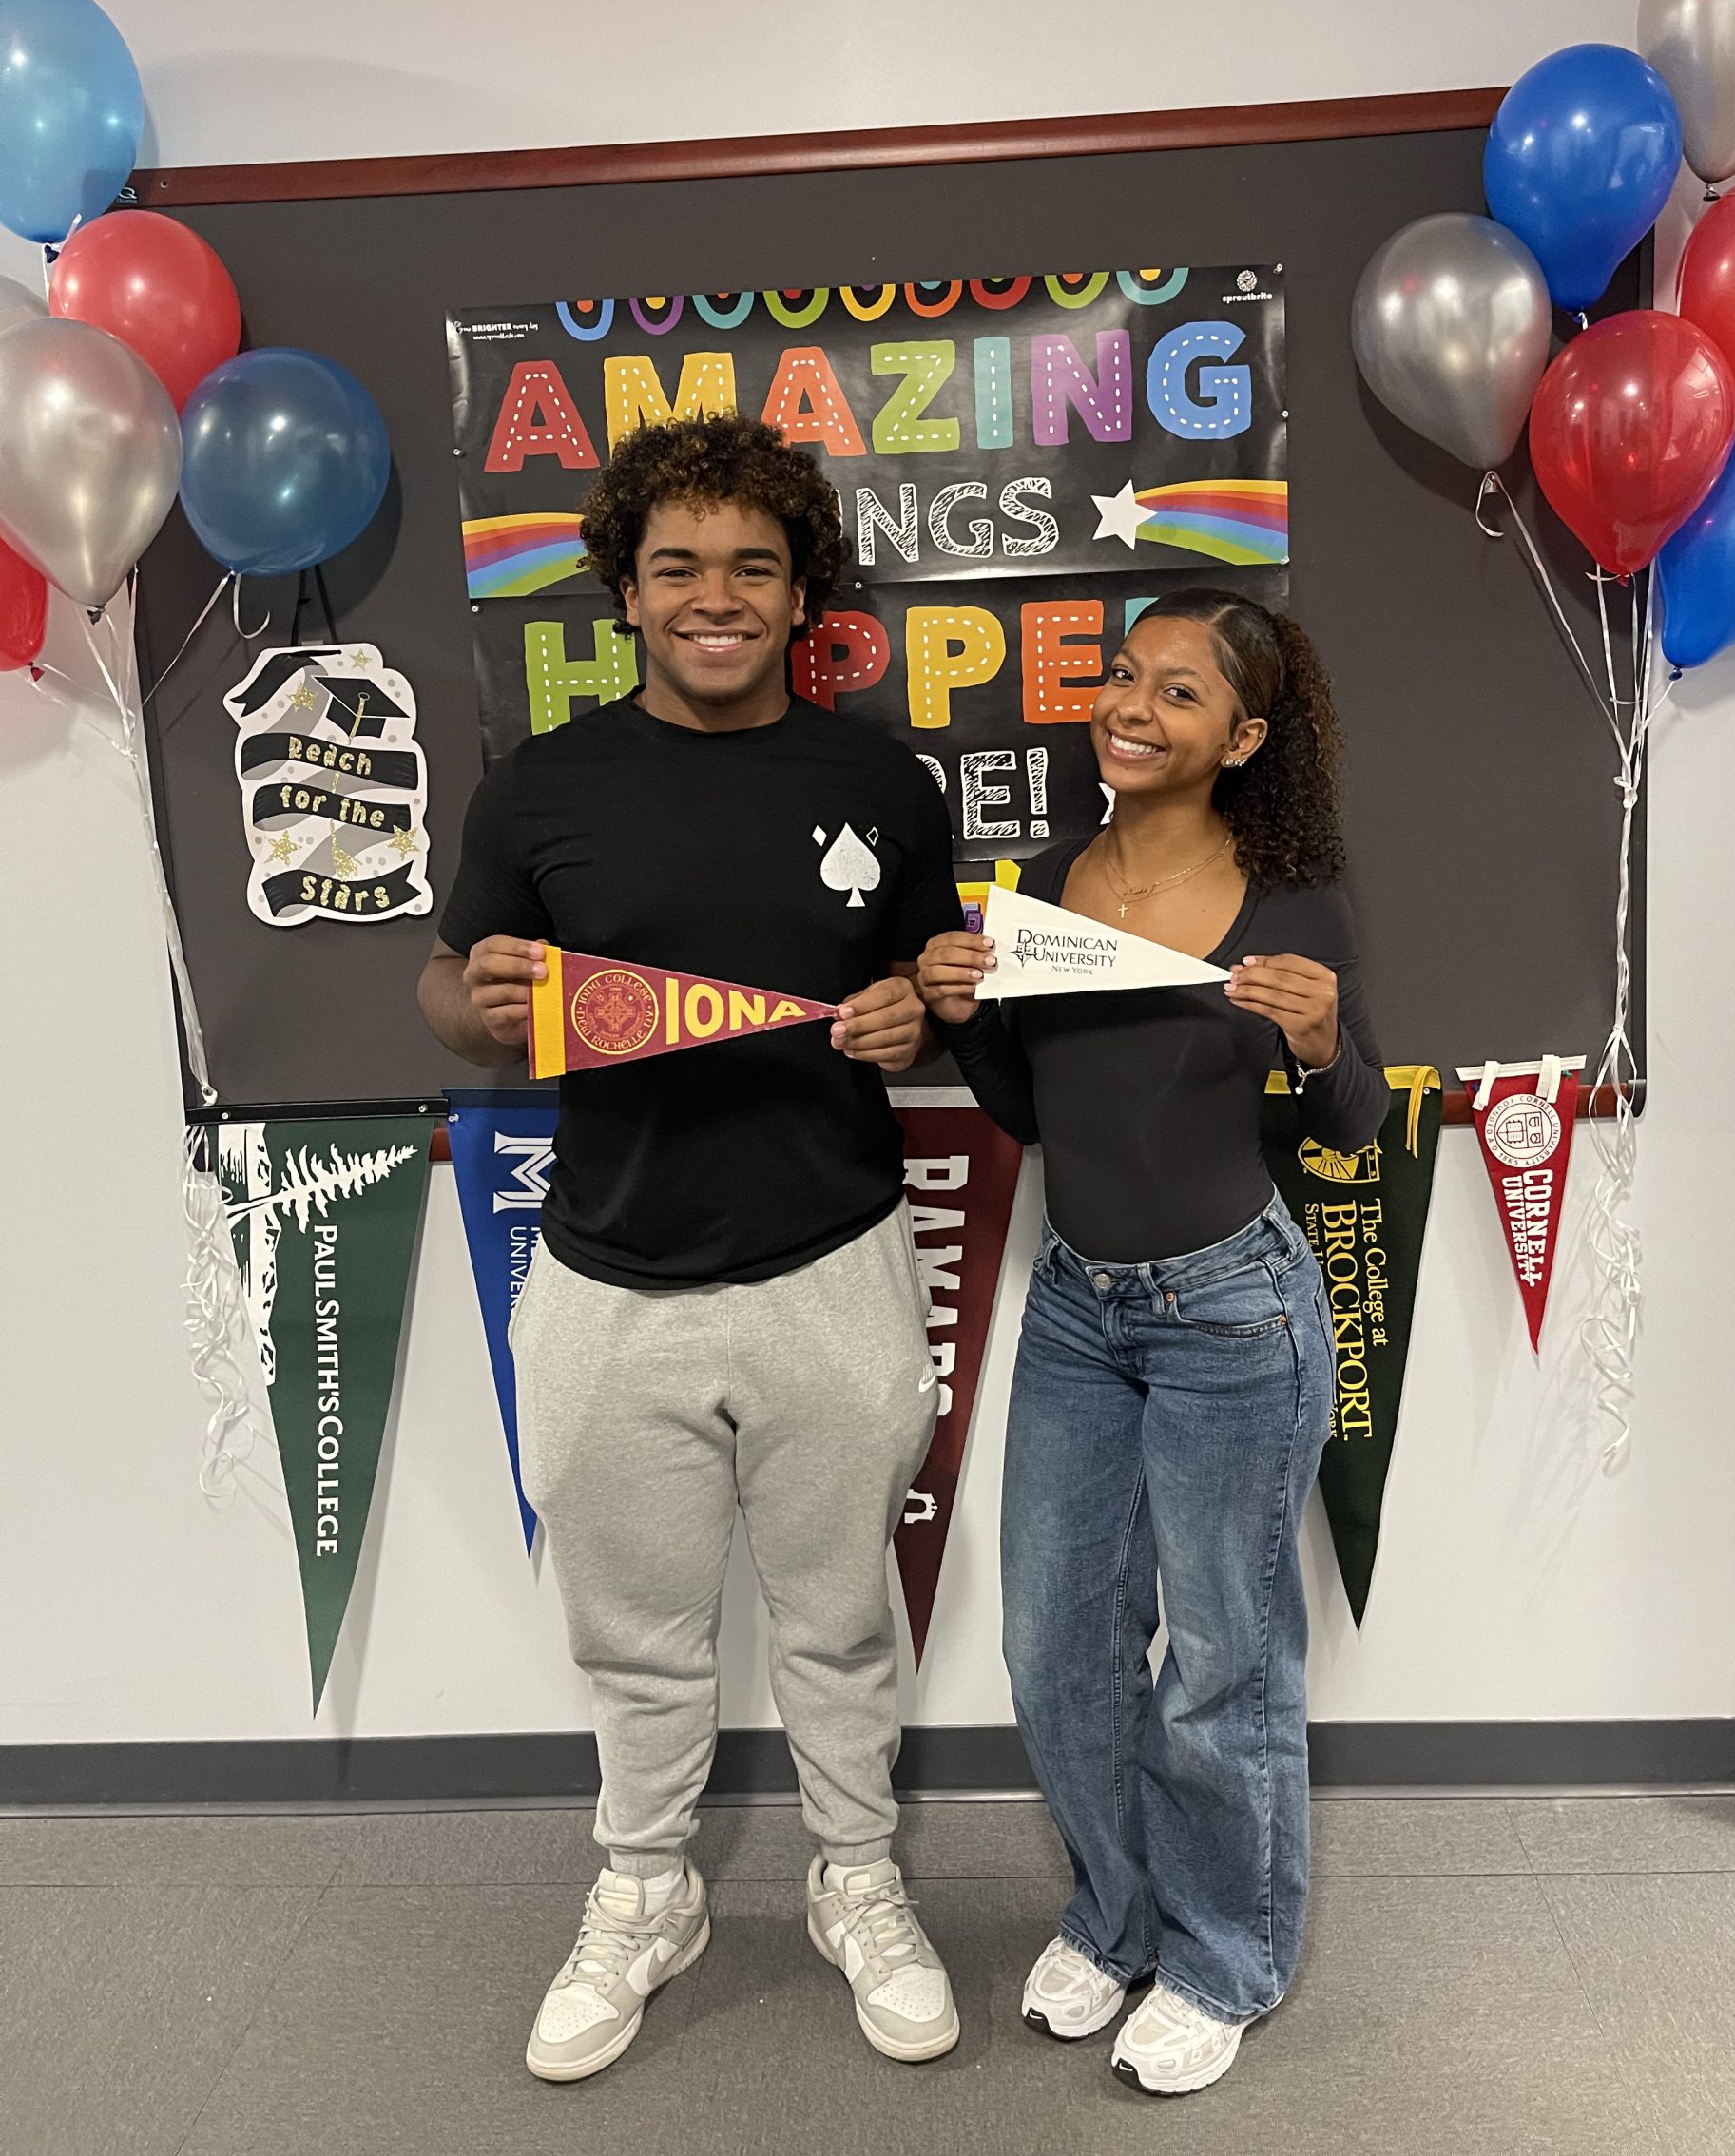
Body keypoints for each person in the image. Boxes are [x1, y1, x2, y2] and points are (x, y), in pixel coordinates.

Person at [421, 414, 963, 2080]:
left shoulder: (877, 778)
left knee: (839, 1619)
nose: (715, 596)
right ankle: (646, 1890)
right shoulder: (541, 789)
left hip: (835, 1263)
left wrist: (909, 1022)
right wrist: (487, 1011)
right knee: (635, 1631)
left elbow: (936, 997)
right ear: (626, 590)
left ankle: (855, 1874)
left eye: (753, 566)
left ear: (802, 592)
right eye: (679, 568)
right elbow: (451, 997)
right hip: (605, 1276)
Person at [916, 591, 1384, 2098]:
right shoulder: (1050, 884)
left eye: (1177, 692)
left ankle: (1224, 1959)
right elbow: (1031, 1110)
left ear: (1240, 738)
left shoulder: (1295, 897)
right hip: (1077, 1308)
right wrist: (970, 1012)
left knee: (1224, 1664)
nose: (1131, 703)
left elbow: (1353, 1124)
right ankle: (1117, 1917)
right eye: (1123, 674)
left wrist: (1322, 1047)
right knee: (1056, 1643)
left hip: (1233, 1314)